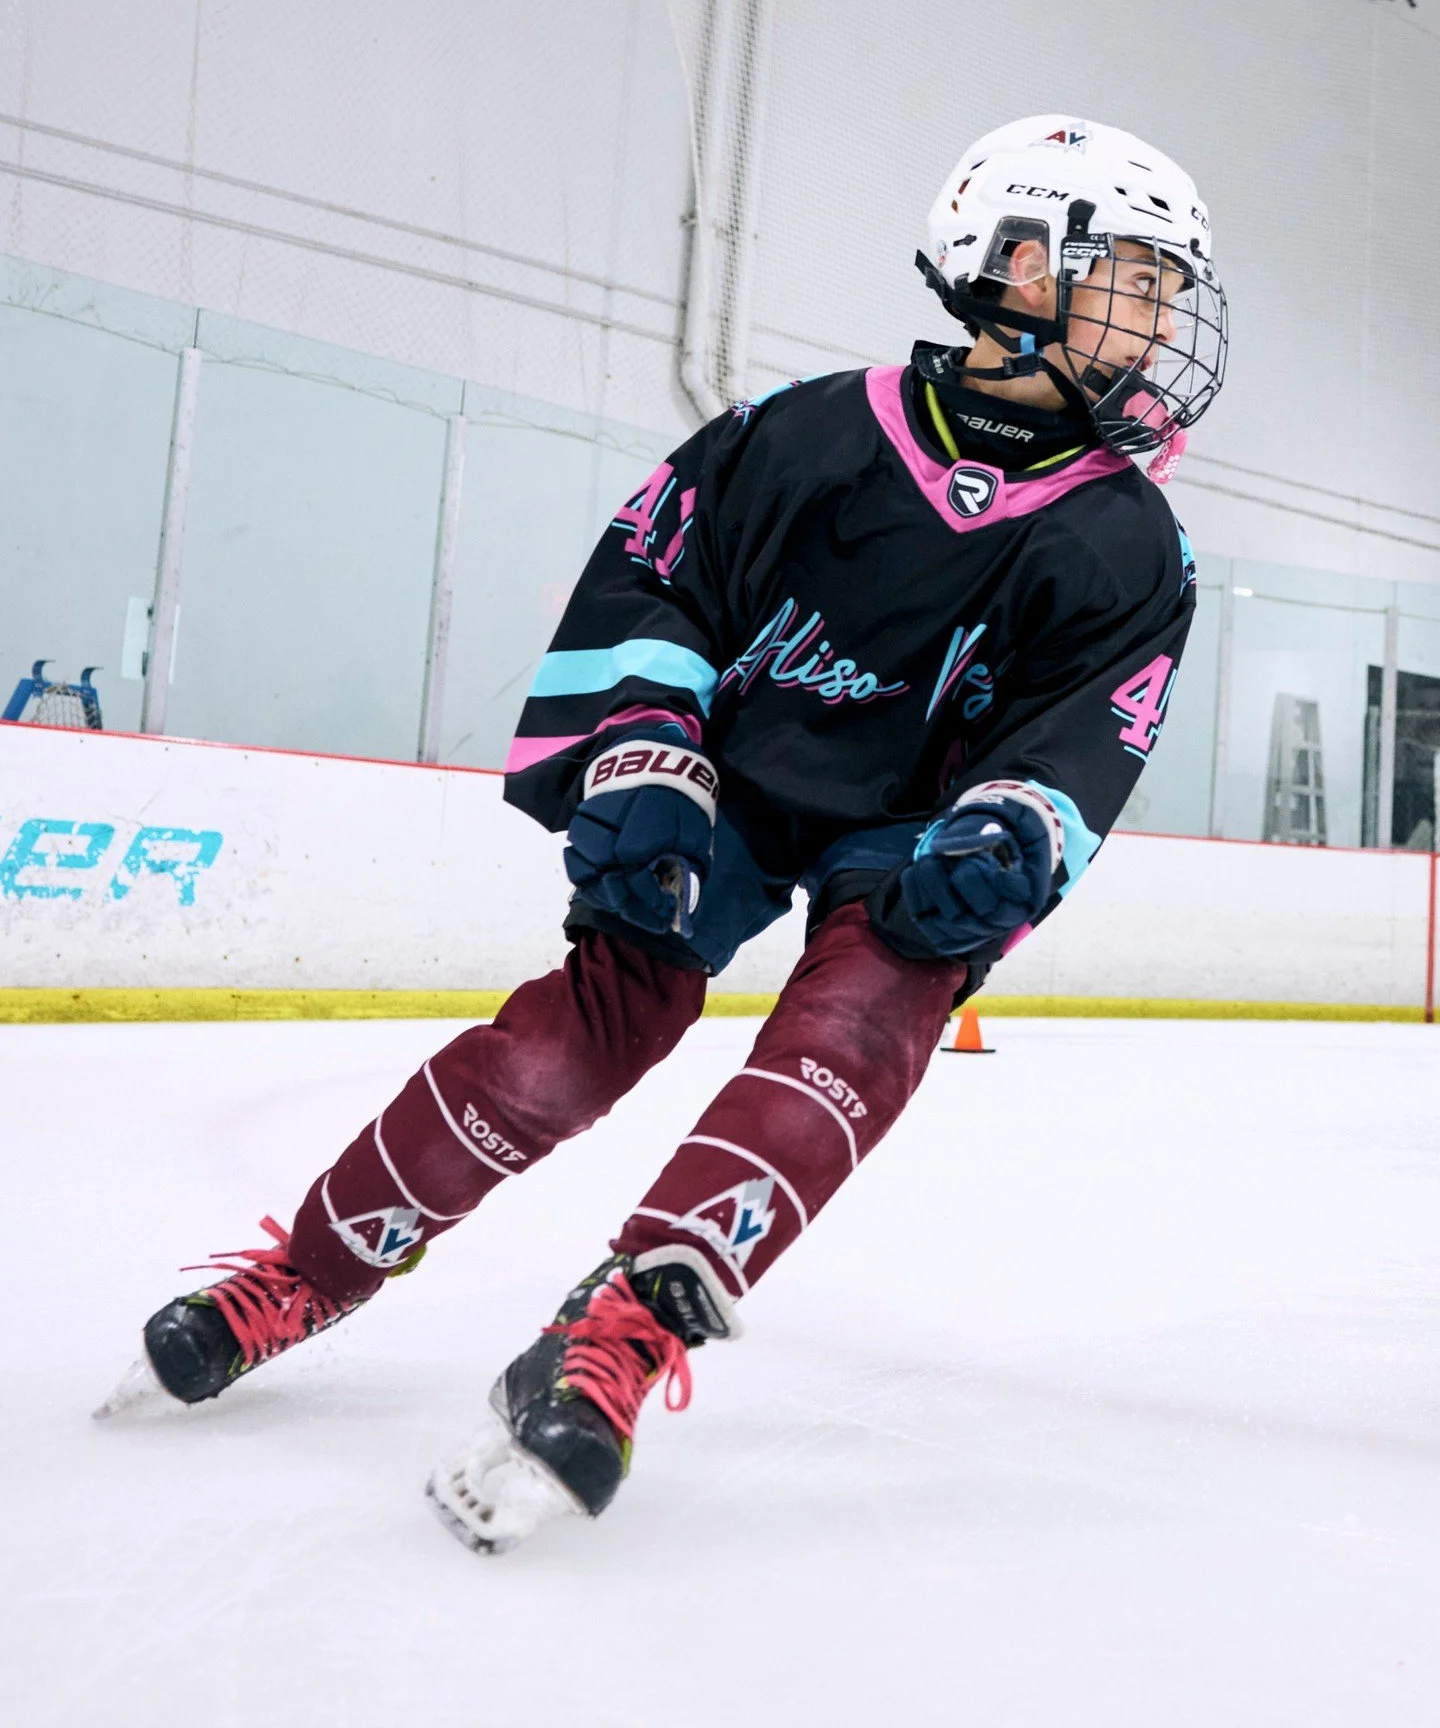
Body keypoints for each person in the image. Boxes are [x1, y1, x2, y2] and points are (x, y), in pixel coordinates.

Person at [102, 114, 1228, 1554]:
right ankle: (305, 1272)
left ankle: (626, 1323)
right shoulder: (809, 432)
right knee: (583, 1032)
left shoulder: (1133, 542)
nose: (1155, 319)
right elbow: (659, 580)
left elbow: (1084, 728)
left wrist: (1013, 831)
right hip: (735, 780)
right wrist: (643, 756)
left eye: (1160, 287)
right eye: (1129, 276)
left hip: (911, 831)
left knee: (872, 1018)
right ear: (1011, 261)